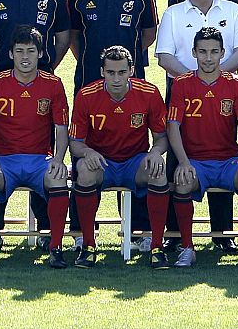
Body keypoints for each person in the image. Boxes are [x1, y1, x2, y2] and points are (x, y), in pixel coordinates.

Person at [155, 0, 238, 252]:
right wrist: (196, 80)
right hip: (183, 95)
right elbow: (164, 56)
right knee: (179, 159)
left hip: (223, 94)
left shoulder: (233, 11)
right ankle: (175, 236)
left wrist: (213, 79)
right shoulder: (173, 14)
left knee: (222, 149)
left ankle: (223, 234)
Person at [165, 28, 238, 268]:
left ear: (222, 53)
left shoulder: (236, 84)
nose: (208, 58)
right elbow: (172, 126)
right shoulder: (181, 84)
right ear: (194, 53)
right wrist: (184, 162)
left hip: (228, 161)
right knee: (182, 181)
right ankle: (187, 248)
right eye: (202, 52)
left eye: (213, 52)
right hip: (196, 162)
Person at [0, 26, 71, 268]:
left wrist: (58, 159)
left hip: (40, 159)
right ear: (11, 55)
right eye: (19, 51)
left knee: (58, 179)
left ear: (40, 54)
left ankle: (55, 246)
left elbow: (61, 128)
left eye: (30, 51)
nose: (25, 57)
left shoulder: (53, 84)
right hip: (4, 160)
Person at [67, 46, 167, 268]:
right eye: (111, 72)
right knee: (83, 169)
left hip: (134, 161)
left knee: (158, 170)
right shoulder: (86, 95)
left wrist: (155, 152)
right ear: (102, 72)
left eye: (121, 72)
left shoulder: (149, 93)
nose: (116, 79)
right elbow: (75, 143)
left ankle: (157, 247)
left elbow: (161, 137)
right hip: (103, 162)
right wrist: (88, 152)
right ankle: (88, 246)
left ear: (131, 70)